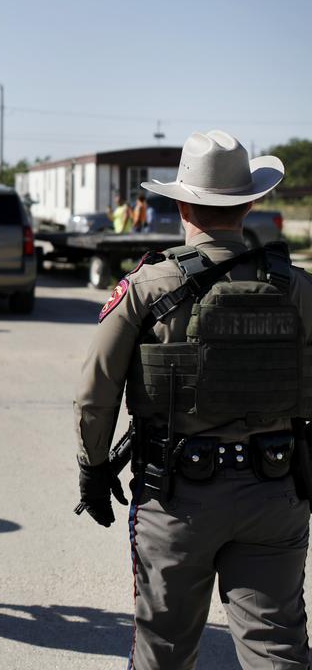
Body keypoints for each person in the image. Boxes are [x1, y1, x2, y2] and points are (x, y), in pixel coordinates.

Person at [74, 130, 312, 669]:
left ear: (182, 202)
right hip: (275, 490)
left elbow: (95, 392)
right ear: (250, 202)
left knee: (165, 649)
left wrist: (92, 467)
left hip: (178, 496)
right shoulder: (295, 286)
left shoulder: (148, 285)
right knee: (277, 649)